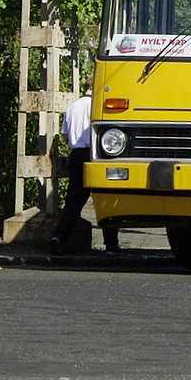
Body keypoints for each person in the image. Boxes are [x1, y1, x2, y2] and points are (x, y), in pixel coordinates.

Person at [50, 85, 119, 255]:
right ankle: (111, 244)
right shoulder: (99, 105)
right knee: (105, 200)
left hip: (77, 155)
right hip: (97, 154)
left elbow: (66, 136)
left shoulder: (72, 106)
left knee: (73, 202)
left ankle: (59, 236)